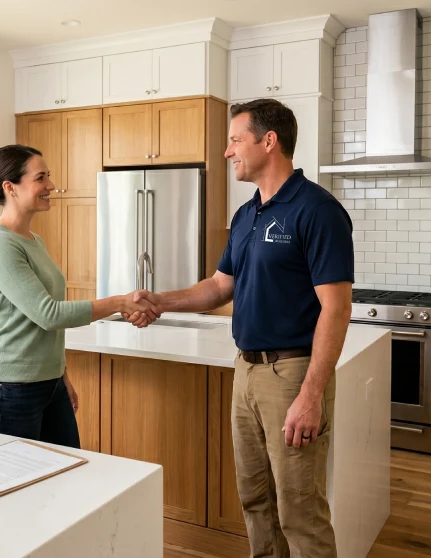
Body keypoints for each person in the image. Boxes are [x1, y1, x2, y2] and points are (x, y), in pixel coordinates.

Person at [128, 99, 353, 557]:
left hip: (292, 375)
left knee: (299, 509)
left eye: (235, 140)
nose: (227, 152)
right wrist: (159, 301)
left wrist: (311, 395)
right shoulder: (247, 214)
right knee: (255, 500)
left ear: (268, 142)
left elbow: (336, 309)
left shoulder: (317, 210)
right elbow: (217, 288)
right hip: (245, 371)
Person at [0, 144, 160, 449]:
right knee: (19, 491)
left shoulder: (33, 240)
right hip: (9, 391)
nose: (51, 186)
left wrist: (61, 376)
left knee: (65, 481)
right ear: (11, 188)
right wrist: (119, 303)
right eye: (41, 178)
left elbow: (44, 324)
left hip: (49, 385)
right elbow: (48, 314)